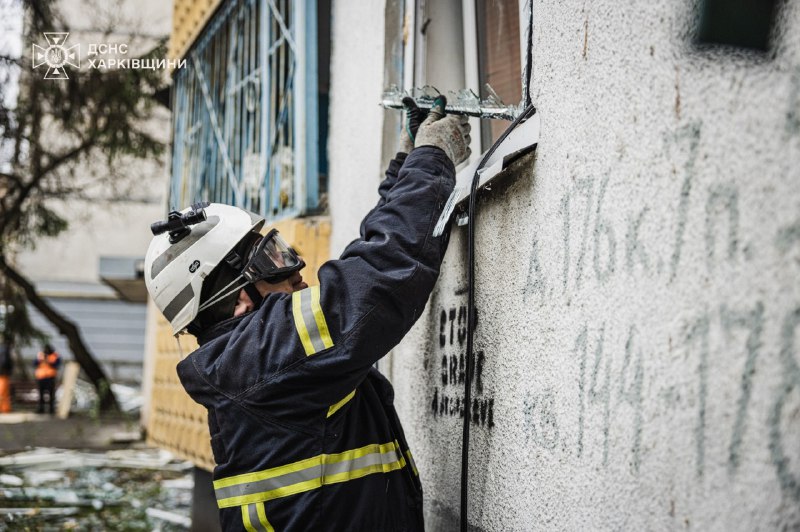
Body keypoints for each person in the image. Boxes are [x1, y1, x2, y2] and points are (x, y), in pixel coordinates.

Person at [145, 97, 470, 530]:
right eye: (271, 260)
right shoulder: (261, 357)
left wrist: (406, 163)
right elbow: (380, 275)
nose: (297, 271)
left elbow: (369, 266)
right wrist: (431, 160)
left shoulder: (249, 362)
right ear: (238, 300)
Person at [34, 343, 61, 414]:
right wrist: (41, 360)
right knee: (41, 395)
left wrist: (48, 361)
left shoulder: (55, 356)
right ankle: (41, 409)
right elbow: (34, 363)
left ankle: (51, 409)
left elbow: (57, 365)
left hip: (50, 377)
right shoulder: (40, 355)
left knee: (51, 395)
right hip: (41, 377)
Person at [0, 340, 13, 413]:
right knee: (3, 392)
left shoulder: (2, 350)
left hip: (3, 373)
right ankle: (4, 408)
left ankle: (4, 408)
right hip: (3, 374)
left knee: (3, 392)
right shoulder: (5, 351)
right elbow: (5, 362)